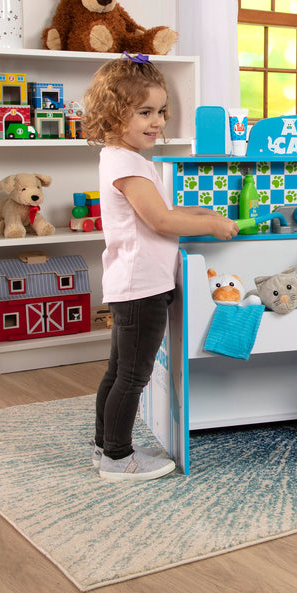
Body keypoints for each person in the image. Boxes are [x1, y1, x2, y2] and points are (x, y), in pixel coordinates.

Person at [82, 52, 239, 481]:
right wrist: (213, 228)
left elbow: (160, 210)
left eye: (161, 111)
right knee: (132, 376)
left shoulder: (125, 158)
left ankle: (104, 449)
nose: (156, 122)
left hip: (136, 282)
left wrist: (198, 212)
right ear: (115, 115)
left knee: (119, 373)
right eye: (144, 112)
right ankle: (118, 457)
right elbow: (161, 221)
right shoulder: (128, 163)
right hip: (141, 287)